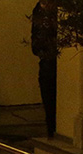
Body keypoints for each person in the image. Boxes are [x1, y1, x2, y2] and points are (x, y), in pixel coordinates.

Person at [31, 0, 58, 138]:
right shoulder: (39, 9)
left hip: (53, 59)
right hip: (46, 58)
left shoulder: (54, 9)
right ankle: (50, 128)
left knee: (52, 93)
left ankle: (53, 128)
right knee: (47, 93)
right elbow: (36, 32)